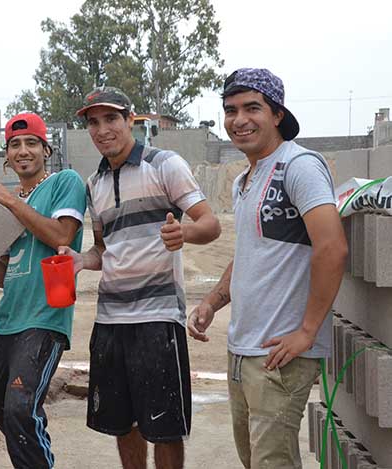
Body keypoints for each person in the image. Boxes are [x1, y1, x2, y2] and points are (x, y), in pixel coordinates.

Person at [187, 68, 348, 468]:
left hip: (280, 356)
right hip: (243, 351)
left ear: (277, 114)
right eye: (230, 110)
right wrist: (212, 301)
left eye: (252, 108)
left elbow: (332, 248)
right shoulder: (247, 178)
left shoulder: (299, 166)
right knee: (254, 460)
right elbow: (250, 254)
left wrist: (307, 332)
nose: (239, 120)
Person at [59, 86, 221, 469]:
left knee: (165, 428)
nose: (102, 129)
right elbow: (105, 249)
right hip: (110, 322)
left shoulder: (165, 165)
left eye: (111, 118)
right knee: (122, 424)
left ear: (131, 120)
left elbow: (209, 223)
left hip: (158, 320)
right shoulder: (94, 185)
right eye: (93, 122)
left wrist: (185, 234)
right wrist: (82, 261)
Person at [0, 112, 86, 469]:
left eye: (31, 143)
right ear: (7, 155)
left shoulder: (64, 182)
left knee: (20, 406)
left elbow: (61, 236)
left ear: (46, 150)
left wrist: (10, 201)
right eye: (15, 144)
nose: (23, 151)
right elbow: (3, 275)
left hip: (45, 317)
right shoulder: (7, 202)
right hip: (7, 321)